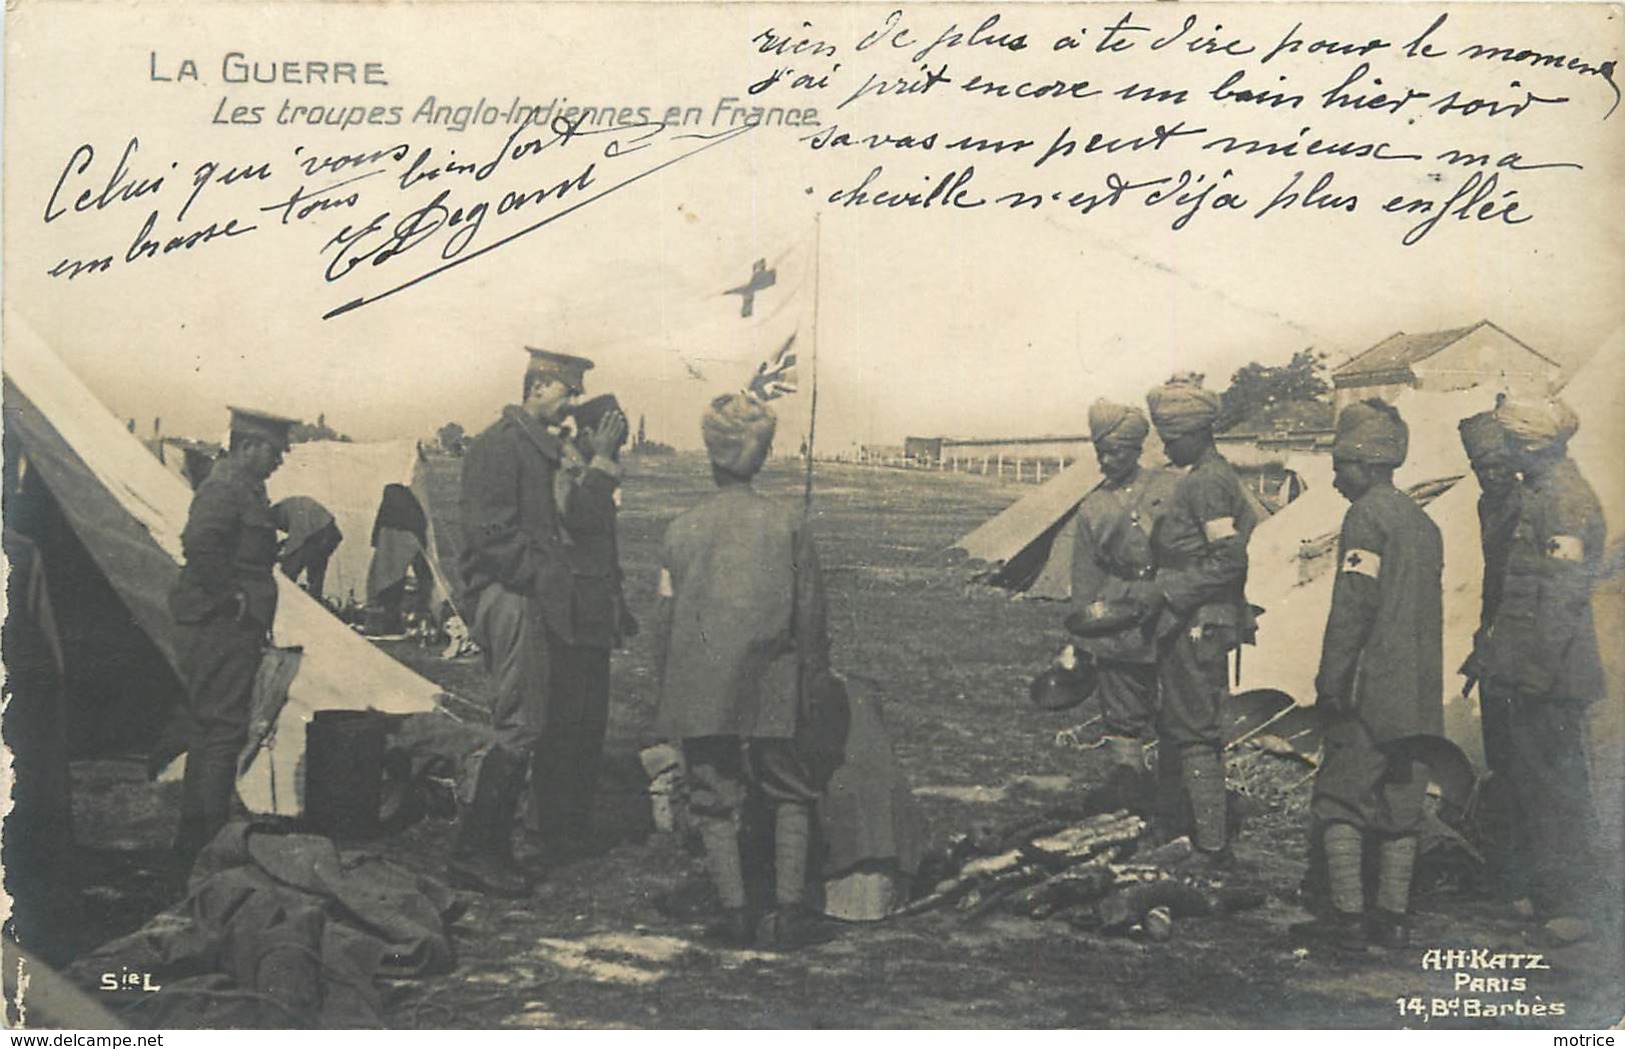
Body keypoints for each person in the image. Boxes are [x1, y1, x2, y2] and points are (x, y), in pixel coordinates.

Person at [655, 392, 836, 951]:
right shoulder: (789, 526)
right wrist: (814, 684)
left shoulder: (680, 531)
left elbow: (665, 622)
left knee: (712, 794)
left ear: (710, 454)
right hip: (774, 683)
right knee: (789, 789)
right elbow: (812, 620)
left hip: (700, 686)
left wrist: (666, 691)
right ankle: (787, 910)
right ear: (764, 455)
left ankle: (733, 910)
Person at [454, 348, 626, 896]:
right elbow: (491, 537)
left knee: (529, 722)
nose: (573, 402)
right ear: (540, 386)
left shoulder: (540, 449)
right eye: (568, 390)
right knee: (521, 724)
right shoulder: (499, 446)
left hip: (532, 596)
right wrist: (546, 575)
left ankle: (493, 849)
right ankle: (476, 851)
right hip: (514, 597)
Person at [1290, 399, 1443, 950]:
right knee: (1402, 798)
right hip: (1418, 691)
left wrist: (1331, 680)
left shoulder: (1366, 518)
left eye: (1340, 466)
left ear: (1365, 463)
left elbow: (1354, 606)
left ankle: (1347, 917)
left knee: (1341, 794)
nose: (1335, 478)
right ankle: (1393, 917)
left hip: (1370, 686)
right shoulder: (1422, 522)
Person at [1480, 396, 1609, 943]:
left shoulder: (1565, 500)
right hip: (1528, 669)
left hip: (1553, 675)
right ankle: (1546, 893)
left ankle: (1578, 907)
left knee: (1560, 790)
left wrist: (1534, 673)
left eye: (1511, 443)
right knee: (1532, 784)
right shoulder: (1538, 494)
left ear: (1531, 444)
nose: (1506, 453)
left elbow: (1562, 600)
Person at [1127, 374, 1257, 863]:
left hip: (1199, 619)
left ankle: (1210, 842)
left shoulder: (1208, 483)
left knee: (1196, 729)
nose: (1166, 446)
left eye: (1172, 436)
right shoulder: (1205, 477)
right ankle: (1177, 823)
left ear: (1198, 432)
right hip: (1188, 616)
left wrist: (1168, 590)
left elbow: (1229, 559)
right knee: (1178, 722)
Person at [168, 407, 296, 859]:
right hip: (221, 626)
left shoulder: (247, 488)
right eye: (273, 451)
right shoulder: (226, 487)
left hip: (231, 626)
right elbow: (199, 542)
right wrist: (231, 594)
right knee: (222, 731)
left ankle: (196, 840)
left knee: (212, 731)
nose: (279, 461)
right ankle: (208, 842)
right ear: (246, 446)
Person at [1068, 400, 1180, 802]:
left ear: (1136, 450)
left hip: (1170, 609)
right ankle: (1131, 795)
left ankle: (1173, 798)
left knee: (1178, 709)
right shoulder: (1093, 506)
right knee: (1122, 708)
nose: (1107, 460)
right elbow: (1085, 576)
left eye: (1115, 452)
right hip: (1117, 616)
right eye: (1101, 453)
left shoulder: (1170, 487)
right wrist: (1080, 634)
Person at [1456, 412, 1522, 779]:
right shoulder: (1487, 505)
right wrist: (1484, 630)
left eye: (1499, 466)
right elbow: (1491, 573)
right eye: (1482, 468)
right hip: (1497, 620)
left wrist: (1493, 636)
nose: (1492, 475)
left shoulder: (1526, 504)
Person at [271, 495, 342, 602]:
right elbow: (297, 539)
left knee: (288, 573)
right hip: (329, 533)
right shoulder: (294, 506)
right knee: (315, 576)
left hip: (321, 534)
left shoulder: (291, 510)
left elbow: (296, 541)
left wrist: (281, 556)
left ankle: (285, 601)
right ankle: (314, 600)